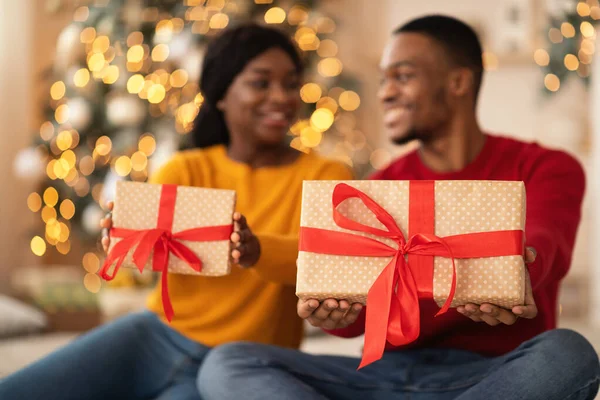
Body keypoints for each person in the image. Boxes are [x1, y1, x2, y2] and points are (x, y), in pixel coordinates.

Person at [196, 15, 600, 400]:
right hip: (382, 376)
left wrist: (522, 270)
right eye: (384, 79)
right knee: (229, 363)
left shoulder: (545, 167)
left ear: (458, 81)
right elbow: (356, 317)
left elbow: (548, 244)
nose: (385, 93)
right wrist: (332, 314)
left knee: (570, 353)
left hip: (491, 376)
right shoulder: (375, 189)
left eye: (402, 77)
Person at [0, 23, 352, 400]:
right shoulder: (185, 170)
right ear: (221, 94)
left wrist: (256, 249)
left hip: (242, 363)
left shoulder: (325, 176)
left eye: (291, 83)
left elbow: (326, 261)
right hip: (154, 337)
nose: (281, 97)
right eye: (261, 83)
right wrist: (125, 238)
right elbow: (146, 254)